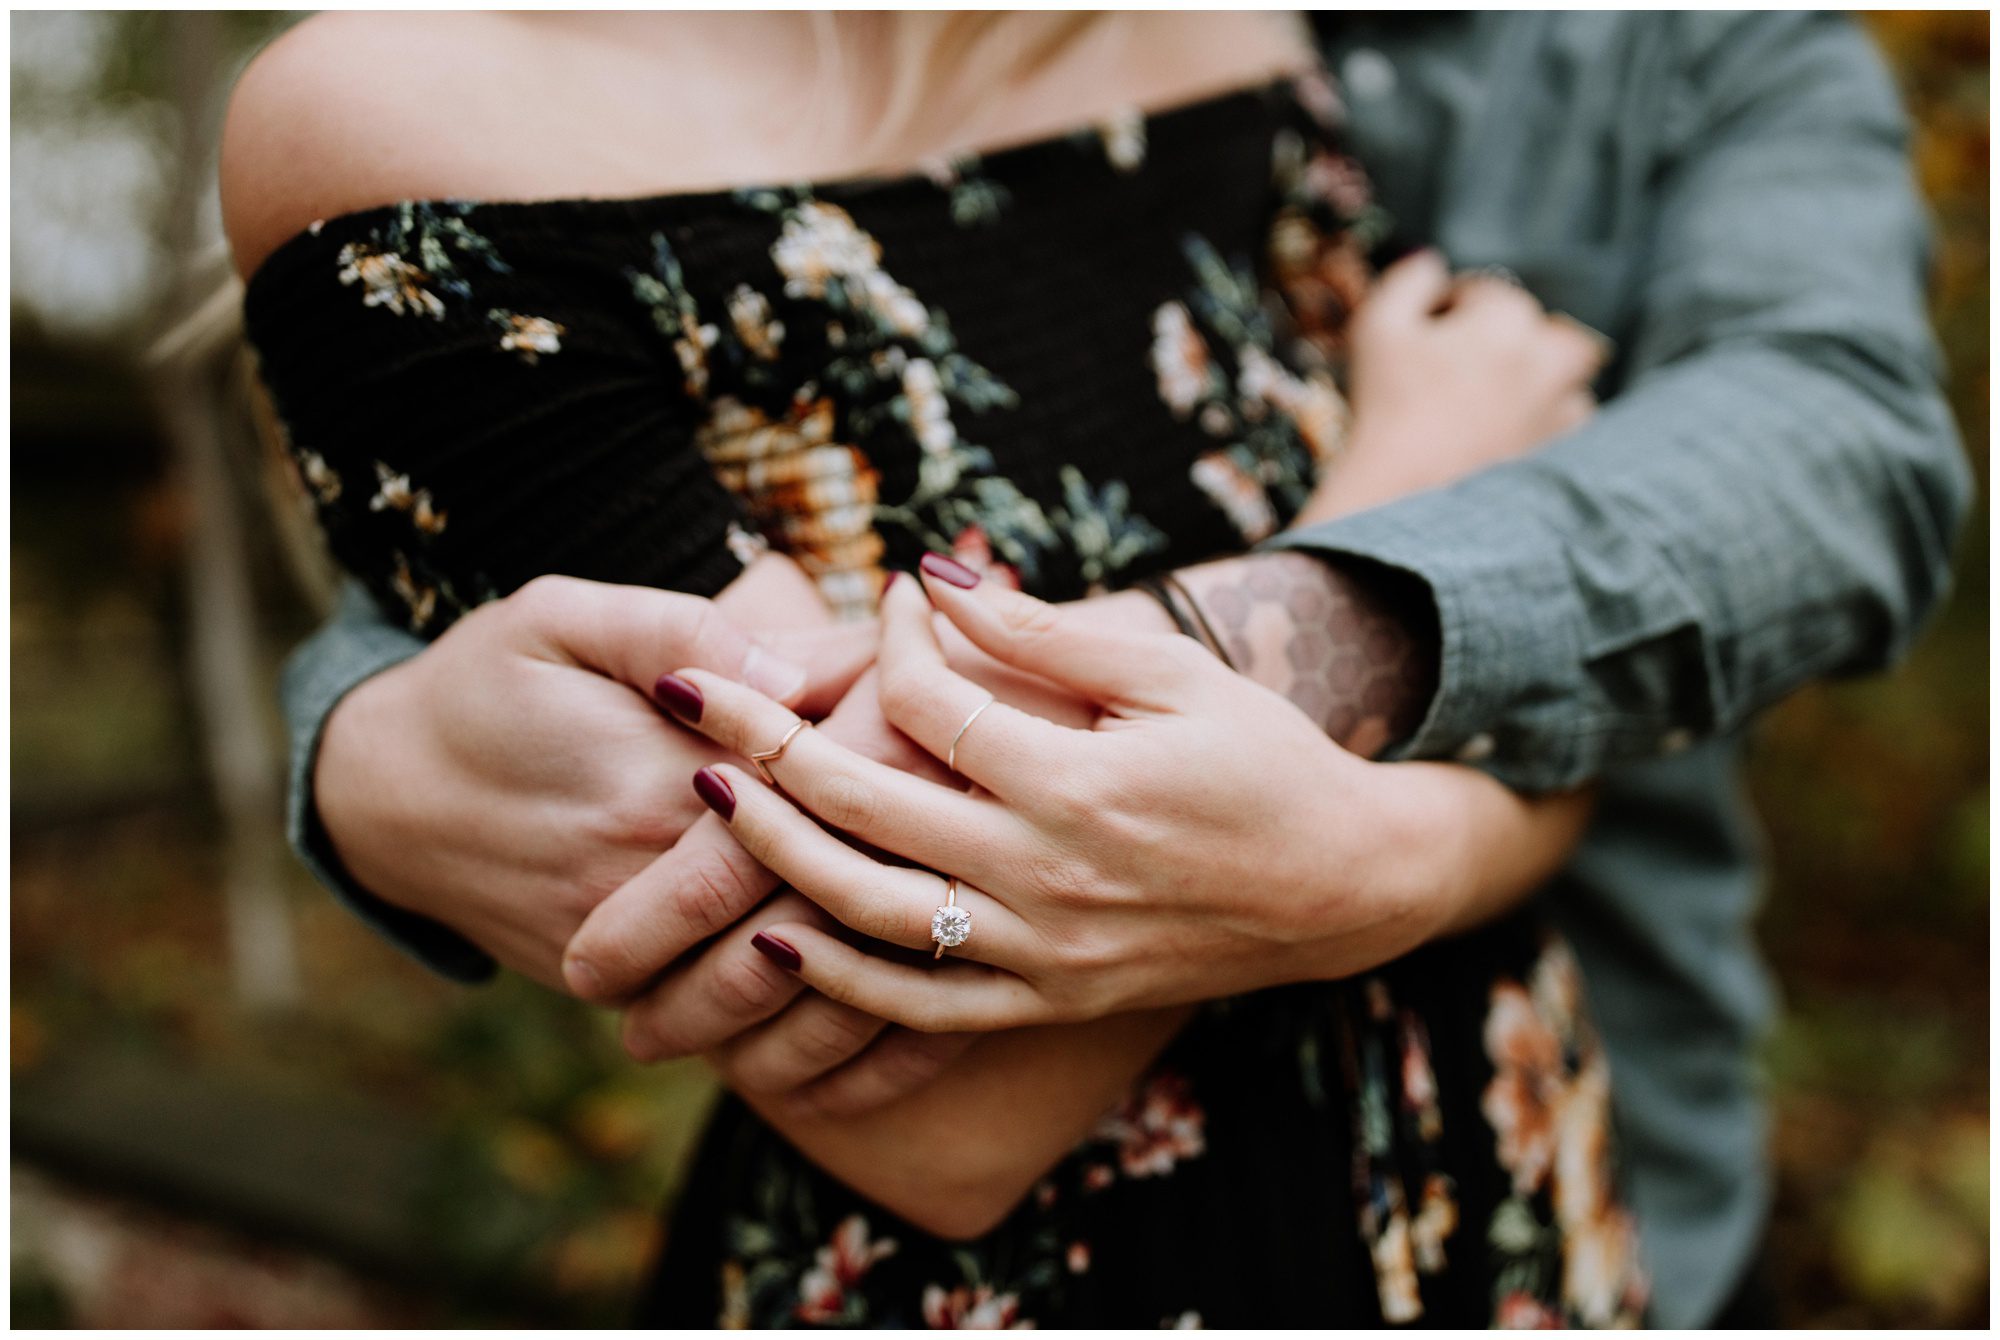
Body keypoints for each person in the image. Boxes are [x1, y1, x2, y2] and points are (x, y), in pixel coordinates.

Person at [220, 10, 1968, 1330]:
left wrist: (1381, 847)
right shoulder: (411, 119)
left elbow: (1835, 467)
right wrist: (1394, 505)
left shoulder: (1226, 43)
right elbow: (947, 1121)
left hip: (1538, 1216)